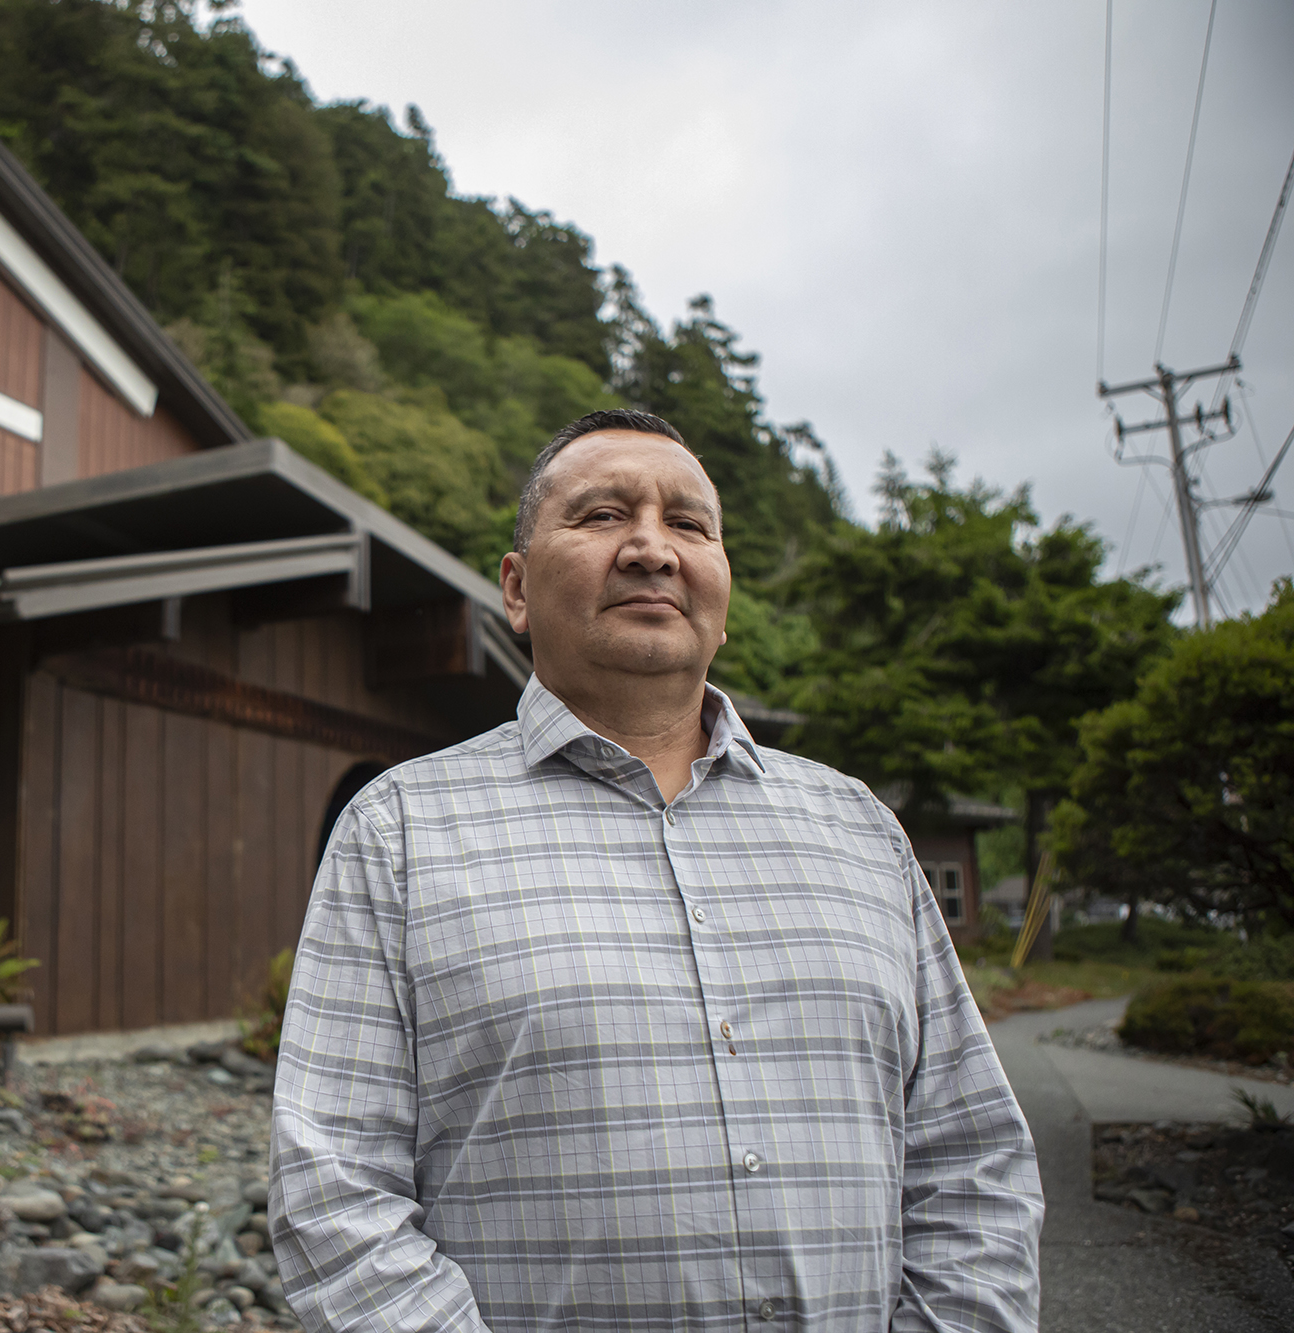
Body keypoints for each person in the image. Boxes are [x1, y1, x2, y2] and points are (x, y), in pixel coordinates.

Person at [268, 409, 1042, 1332]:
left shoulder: (860, 829)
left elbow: (973, 1161)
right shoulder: (398, 832)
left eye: (688, 523)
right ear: (515, 589)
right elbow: (335, 1185)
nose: (650, 547)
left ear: (723, 585)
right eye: (601, 515)